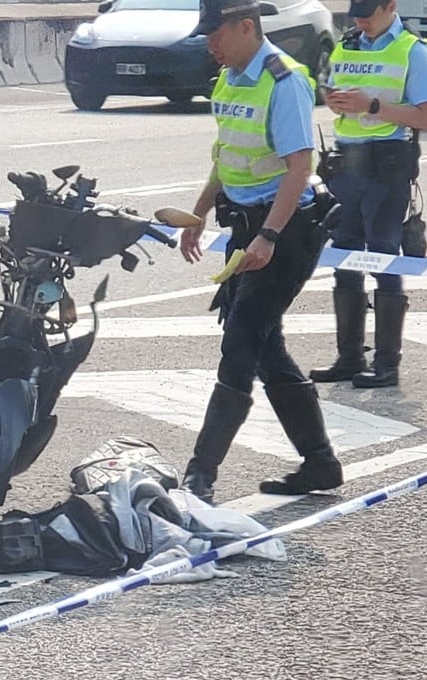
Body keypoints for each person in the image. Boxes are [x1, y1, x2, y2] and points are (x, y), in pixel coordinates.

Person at [177, 0, 343, 502]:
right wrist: (200, 210)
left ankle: (199, 476)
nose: (210, 44)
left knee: (243, 341)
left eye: (217, 34)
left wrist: (268, 237)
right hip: (247, 224)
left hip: (286, 230)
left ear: (246, 27)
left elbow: (298, 167)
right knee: (266, 349)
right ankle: (320, 463)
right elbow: (225, 155)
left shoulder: (283, 79)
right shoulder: (228, 78)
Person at [309, 0, 427, 388]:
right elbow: (334, 90)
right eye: (355, 11)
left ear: (391, 6)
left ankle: (387, 365)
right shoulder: (348, 43)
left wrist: (372, 105)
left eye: (368, 12)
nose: (360, 19)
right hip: (348, 164)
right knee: (344, 255)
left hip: (386, 166)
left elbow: (424, 116)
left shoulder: (413, 51)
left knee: (382, 255)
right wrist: (335, 101)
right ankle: (348, 358)